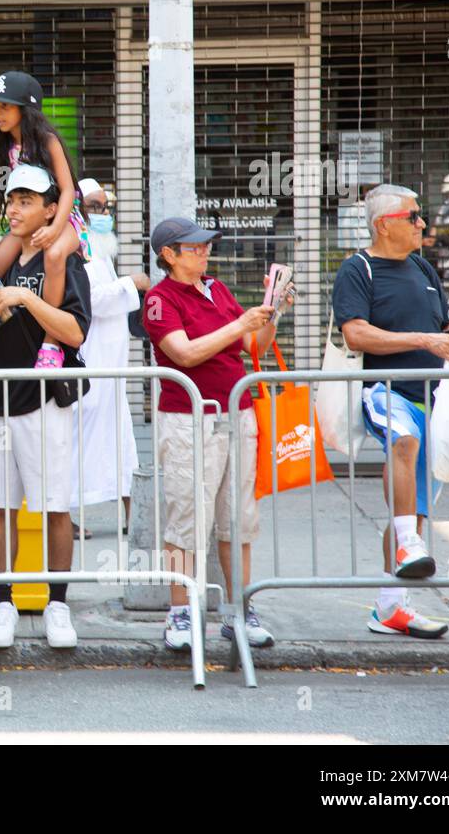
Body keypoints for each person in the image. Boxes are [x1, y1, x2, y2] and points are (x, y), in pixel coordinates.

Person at [142, 216, 287, 652]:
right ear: (168, 255)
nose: (205, 252)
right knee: (187, 515)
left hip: (236, 412)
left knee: (237, 517)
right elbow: (183, 353)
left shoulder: (217, 289)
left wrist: (271, 309)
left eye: (206, 246)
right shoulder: (159, 298)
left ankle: (239, 610)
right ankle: (181, 612)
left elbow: (254, 347)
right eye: (194, 247)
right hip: (190, 417)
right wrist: (241, 325)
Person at [331, 184, 449, 639]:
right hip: (382, 390)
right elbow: (357, 335)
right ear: (384, 223)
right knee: (403, 440)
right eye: (414, 217)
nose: (422, 224)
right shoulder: (358, 268)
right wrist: (423, 341)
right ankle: (409, 546)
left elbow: (442, 326)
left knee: (416, 507)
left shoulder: (423, 266)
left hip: (431, 395)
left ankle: (392, 607)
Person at [0, 165, 92, 650]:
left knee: (53, 506)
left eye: (30, 200)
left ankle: (57, 605)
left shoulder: (65, 258)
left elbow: (75, 331)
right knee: (0, 506)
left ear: (52, 209)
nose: (18, 208)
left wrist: (25, 297)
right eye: (13, 200)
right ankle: (3, 603)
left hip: (45, 401)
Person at [0, 70, 84, 372]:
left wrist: (53, 229)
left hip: (65, 219)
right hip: (25, 224)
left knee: (53, 255)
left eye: (6, 106)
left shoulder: (47, 141)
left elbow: (68, 192)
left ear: (26, 110)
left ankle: (51, 345)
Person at [69, 178, 147, 534]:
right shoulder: (76, 250)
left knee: (121, 443)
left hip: (113, 366)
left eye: (105, 207)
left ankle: (134, 515)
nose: (103, 214)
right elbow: (92, 300)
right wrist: (134, 284)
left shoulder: (99, 249)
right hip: (90, 362)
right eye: (95, 207)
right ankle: (67, 517)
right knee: (77, 441)